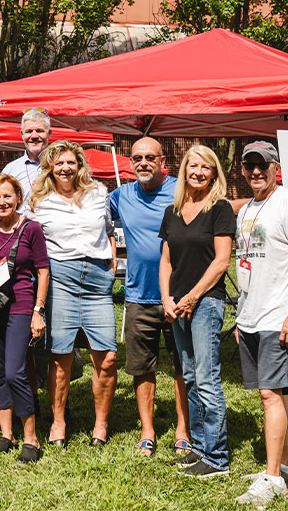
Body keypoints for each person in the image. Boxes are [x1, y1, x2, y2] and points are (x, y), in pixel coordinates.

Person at [234, 142, 288, 506]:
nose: (255, 171)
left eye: (262, 165)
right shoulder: (247, 210)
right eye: (249, 165)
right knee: (272, 395)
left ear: (276, 168)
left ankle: (271, 480)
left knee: (270, 394)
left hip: (278, 315)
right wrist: (240, 315)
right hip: (251, 315)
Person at [26, 139, 118, 447]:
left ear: (79, 165)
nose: (66, 168)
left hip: (96, 282)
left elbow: (108, 230)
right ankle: (58, 422)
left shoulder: (98, 193)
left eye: (71, 162)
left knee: (106, 358)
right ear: (50, 167)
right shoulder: (38, 201)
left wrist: (111, 257)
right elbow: (29, 242)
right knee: (60, 356)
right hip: (61, 279)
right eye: (59, 162)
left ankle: (101, 425)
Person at [109, 137, 189, 457]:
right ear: (130, 162)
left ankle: (183, 429)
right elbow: (86, 213)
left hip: (178, 296)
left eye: (149, 158)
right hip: (139, 296)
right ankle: (148, 430)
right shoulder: (121, 195)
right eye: (137, 158)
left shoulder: (181, 190)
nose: (143, 163)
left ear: (162, 160)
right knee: (142, 367)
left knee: (182, 366)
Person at [158, 144, 236, 477]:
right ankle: (200, 447)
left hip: (205, 303)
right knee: (189, 377)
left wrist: (191, 296)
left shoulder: (220, 208)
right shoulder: (173, 210)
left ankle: (217, 458)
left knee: (207, 379)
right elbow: (165, 261)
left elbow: (222, 261)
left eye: (206, 167)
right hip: (177, 305)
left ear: (214, 172)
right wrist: (167, 299)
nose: (199, 172)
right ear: (184, 171)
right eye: (193, 166)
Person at [0, 175, 49, 463]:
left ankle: (31, 438)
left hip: (21, 305)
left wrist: (38, 310)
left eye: (8, 196)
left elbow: (43, 271)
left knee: (15, 372)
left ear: (18, 197)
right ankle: (7, 435)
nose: (2, 202)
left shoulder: (31, 229)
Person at [1, 108, 52, 212]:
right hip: (21, 227)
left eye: (39, 130)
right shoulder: (10, 170)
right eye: (29, 131)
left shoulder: (63, 166)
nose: (34, 136)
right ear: (22, 135)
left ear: (49, 133)